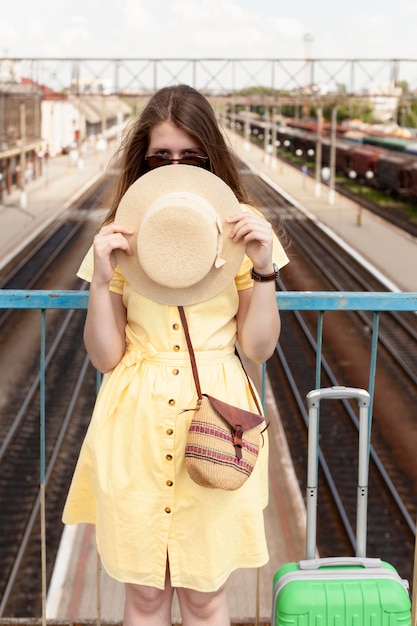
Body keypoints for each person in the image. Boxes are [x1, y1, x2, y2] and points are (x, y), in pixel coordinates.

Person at [63, 84, 289, 626]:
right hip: (136, 417)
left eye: (191, 157)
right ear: (143, 160)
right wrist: (100, 281)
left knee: (205, 597)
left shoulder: (243, 228)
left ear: (211, 157)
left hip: (214, 416)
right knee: (143, 598)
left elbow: (257, 347)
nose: (175, 166)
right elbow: (105, 355)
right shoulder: (120, 229)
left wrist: (262, 268)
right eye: (161, 157)